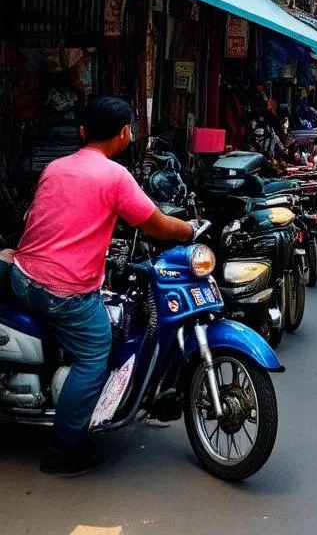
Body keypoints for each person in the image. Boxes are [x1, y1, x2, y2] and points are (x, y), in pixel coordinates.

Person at [10, 97, 196, 475]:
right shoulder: (115, 177)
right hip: (63, 293)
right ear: (125, 133)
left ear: (82, 132)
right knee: (96, 349)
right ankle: (64, 448)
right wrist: (191, 230)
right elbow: (157, 225)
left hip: (23, 276)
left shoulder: (55, 168)